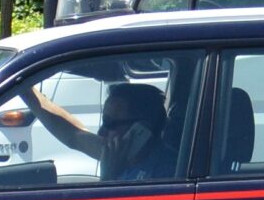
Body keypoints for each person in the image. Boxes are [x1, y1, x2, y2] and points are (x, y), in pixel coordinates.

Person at [23, 78, 171, 182]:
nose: (101, 132)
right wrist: (24, 88)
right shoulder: (120, 154)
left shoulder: (166, 174)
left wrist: (109, 176)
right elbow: (73, 135)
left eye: (109, 123)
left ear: (141, 131)